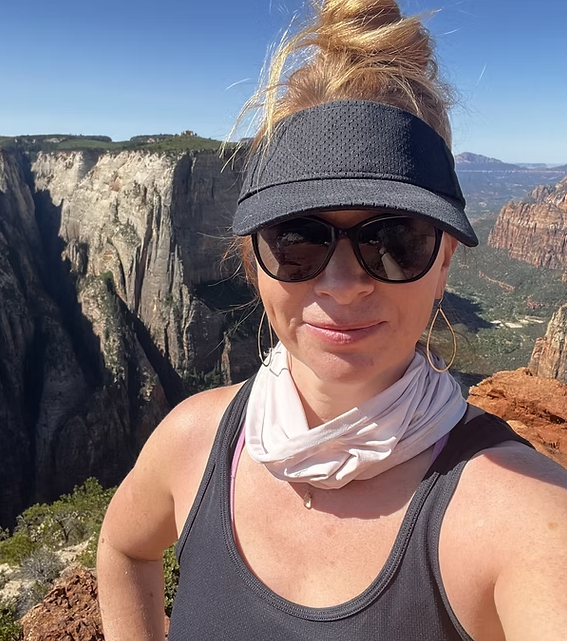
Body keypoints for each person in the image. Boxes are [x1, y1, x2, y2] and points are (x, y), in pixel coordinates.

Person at [97, 1, 567, 639]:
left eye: (395, 239)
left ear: (444, 262)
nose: (344, 286)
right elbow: (123, 550)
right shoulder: (192, 442)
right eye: (296, 239)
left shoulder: (526, 516)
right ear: (252, 260)